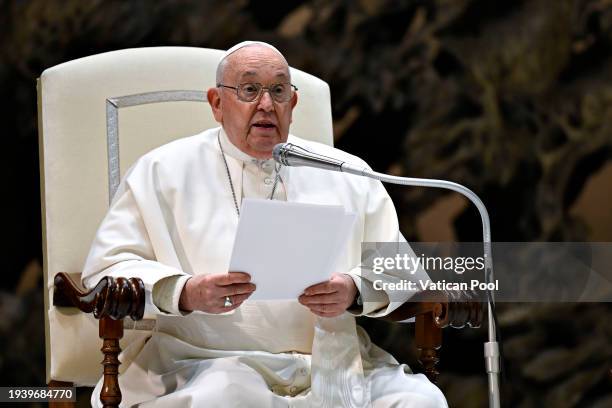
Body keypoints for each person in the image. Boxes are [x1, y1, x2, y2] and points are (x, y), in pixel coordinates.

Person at [82, 41, 447, 408]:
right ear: (216, 103)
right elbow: (106, 271)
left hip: (333, 364)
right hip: (205, 364)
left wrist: (353, 290)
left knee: (421, 401)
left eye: (278, 90)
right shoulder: (163, 171)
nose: (266, 105)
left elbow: (403, 272)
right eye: (249, 89)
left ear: (293, 104)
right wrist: (185, 292)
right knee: (223, 398)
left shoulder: (346, 172)